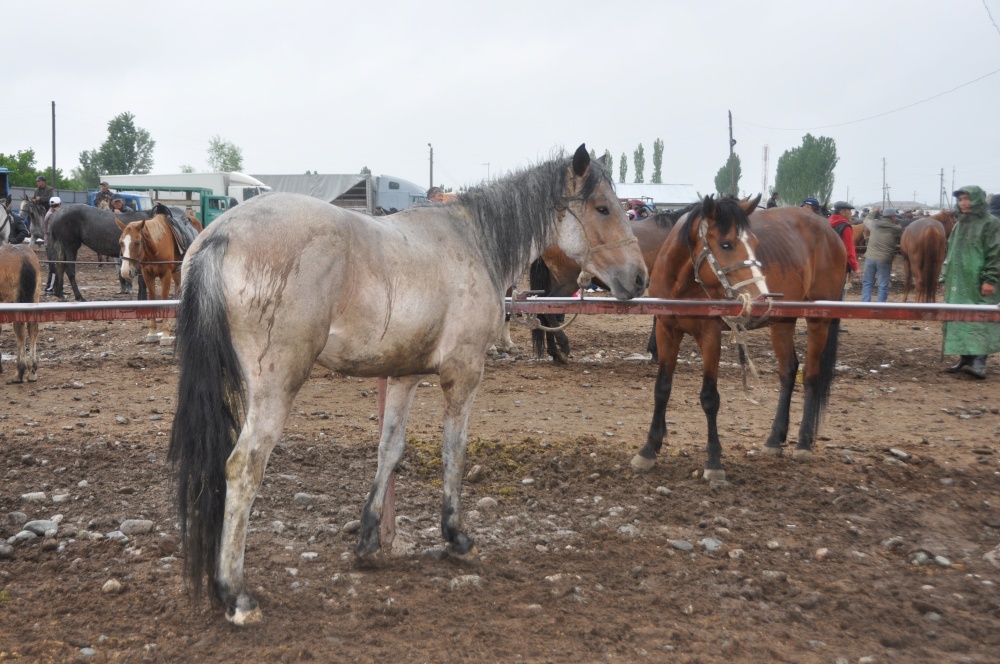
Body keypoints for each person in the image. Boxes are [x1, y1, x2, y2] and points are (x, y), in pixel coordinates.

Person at [941, 186, 1000, 378]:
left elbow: (995, 253)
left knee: (980, 318)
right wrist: (944, 276)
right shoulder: (960, 223)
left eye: (967, 199)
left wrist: (990, 279)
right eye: (961, 200)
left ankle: (979, 362)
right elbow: (950, 251)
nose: (963, 203)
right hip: (958, 281)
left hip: (978, 281)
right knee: (958, 317)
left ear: (977, 200)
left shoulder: (991, 223)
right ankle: (965, 358)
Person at [860, 206, 903, 303]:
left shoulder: (874, 224)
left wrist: (874, 211)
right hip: (884, 260)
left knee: (867, 282)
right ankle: (880, 306)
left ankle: (865, 304)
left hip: (869, 259)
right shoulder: (897, 228)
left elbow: (867, 219)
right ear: (893, 217)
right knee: (883, 284)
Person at [828, 202, 859, 287]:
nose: (851, 213)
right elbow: (849, 250)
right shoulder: (845, 227)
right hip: (839, 265)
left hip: (825, 263)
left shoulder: (827, 223)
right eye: (849, 210)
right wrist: (855, 268)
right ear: (842, 212)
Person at [42, 197, 62, 292]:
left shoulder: (52, 213)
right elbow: (51, 232)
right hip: (51, 244)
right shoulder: (51, 215)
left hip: (51, 243)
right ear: (59, 205)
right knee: (53, 267)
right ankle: (49, 288)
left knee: (57, 266)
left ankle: (58, 288)